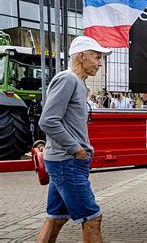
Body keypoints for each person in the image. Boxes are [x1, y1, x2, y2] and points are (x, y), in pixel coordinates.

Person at [37, 36, 111, 242]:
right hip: (67, 162)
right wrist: (76, 148)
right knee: (92, 218)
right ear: (81, 56)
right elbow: (48, 121)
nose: (99, 63)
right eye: (96, 57)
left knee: (55, 218)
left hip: (65, 162)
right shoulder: (67, 79)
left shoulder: (77, 83)